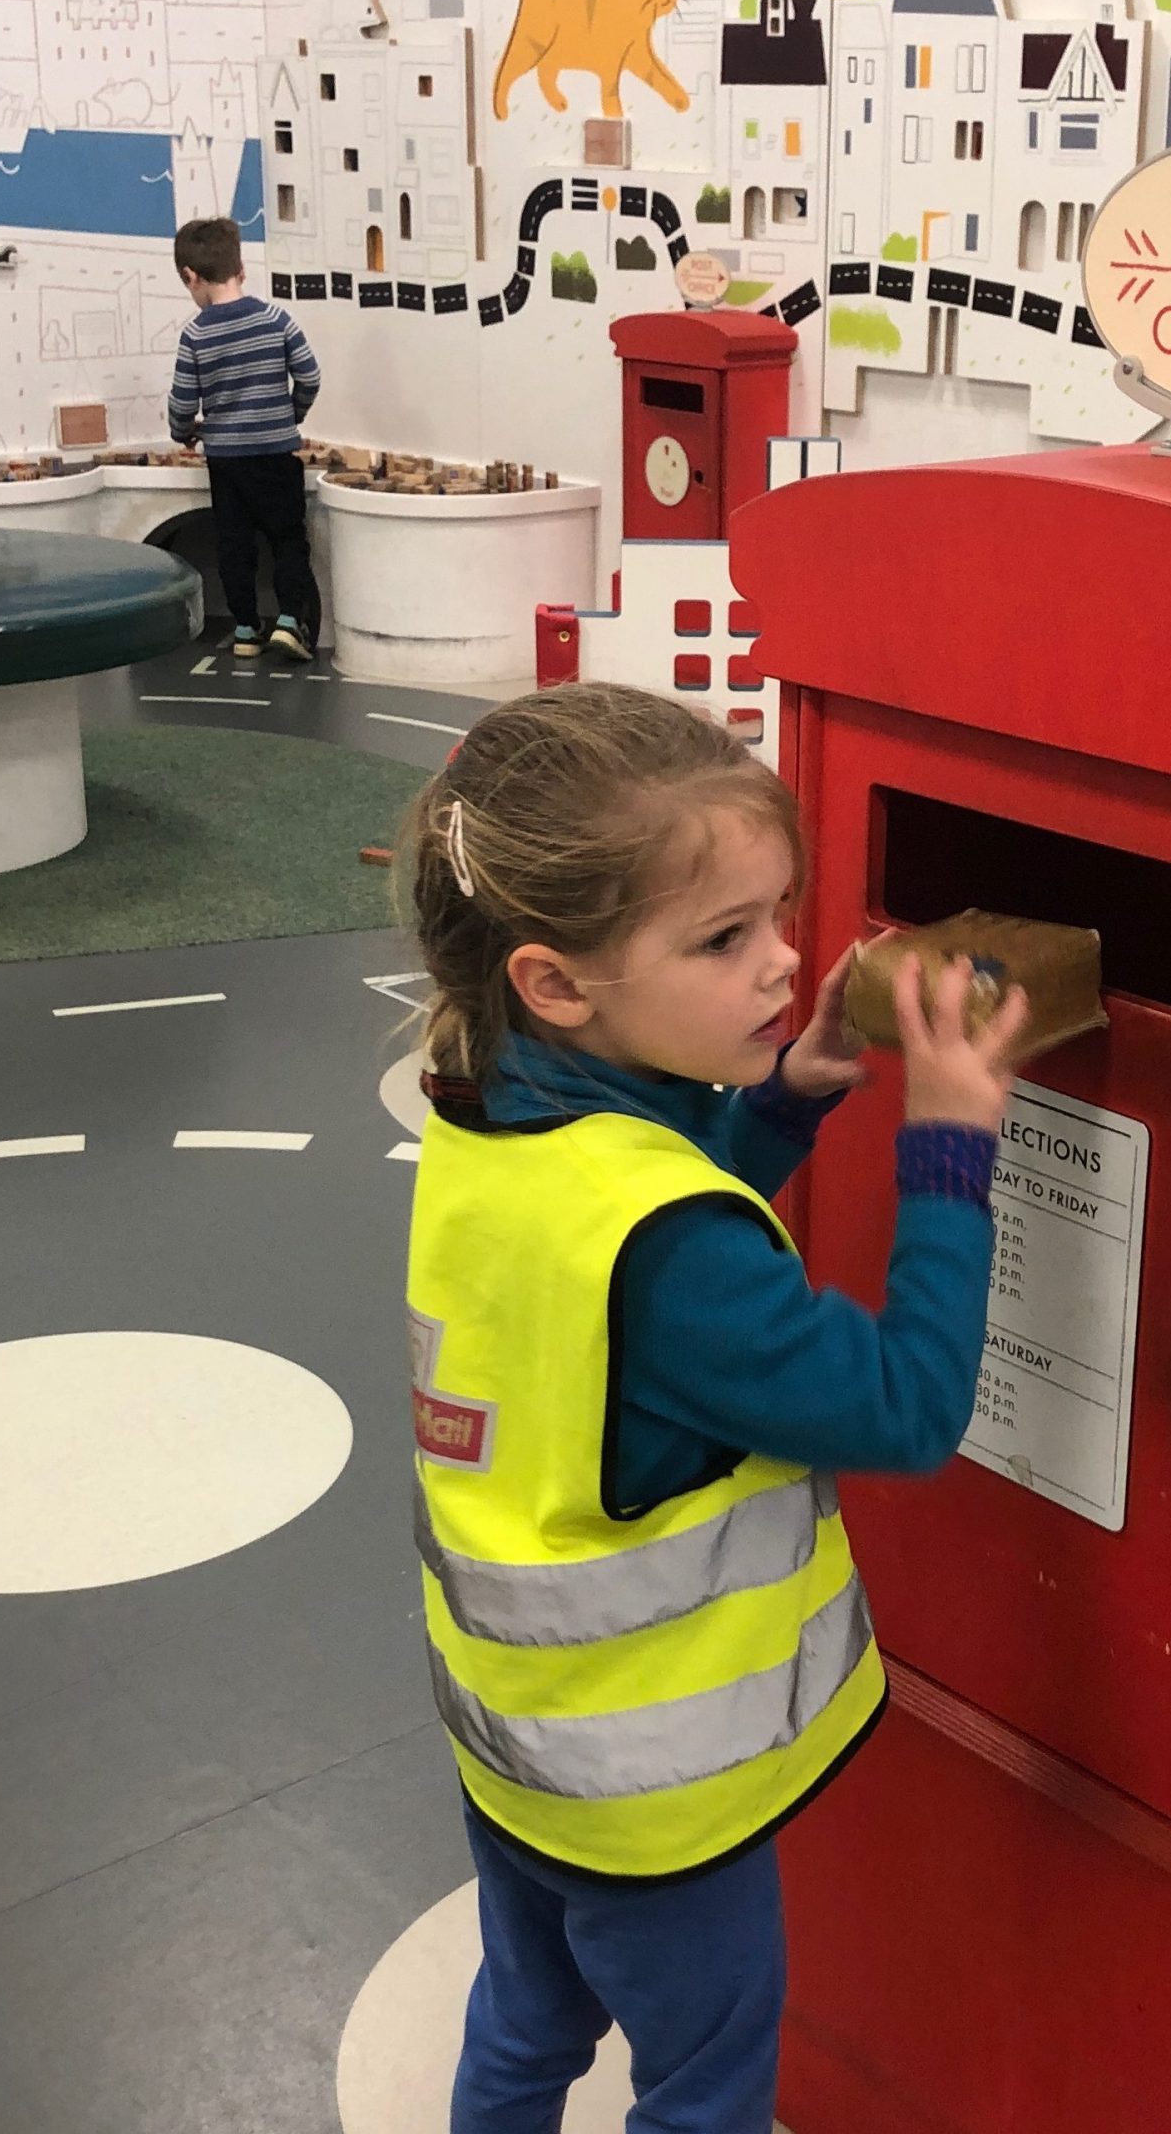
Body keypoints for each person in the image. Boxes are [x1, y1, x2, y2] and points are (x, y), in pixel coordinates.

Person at [401, 683, 1026, 2134]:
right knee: (707, 2089)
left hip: (519, 1751)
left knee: (525, 2022)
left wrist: (787, 1096)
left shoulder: (484, 1109)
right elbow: (909, 1407)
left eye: (781, 917)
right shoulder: (676, 1250)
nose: (787, 961)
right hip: (659, 1807)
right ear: (559, 980)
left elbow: (631, 1214)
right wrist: (947, 1146)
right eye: (724, 939)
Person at [168, 215, 324, 662]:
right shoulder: (277, 319)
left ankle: (244, 629)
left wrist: (184, 433)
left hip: (227, 460)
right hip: (277, 454)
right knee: (287, 539)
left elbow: (182, 401)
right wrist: (288, 416)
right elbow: (309, 376)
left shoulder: (196, 334)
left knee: (234, 545)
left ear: (189, 276)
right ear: (242, 270)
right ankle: (291, 621)